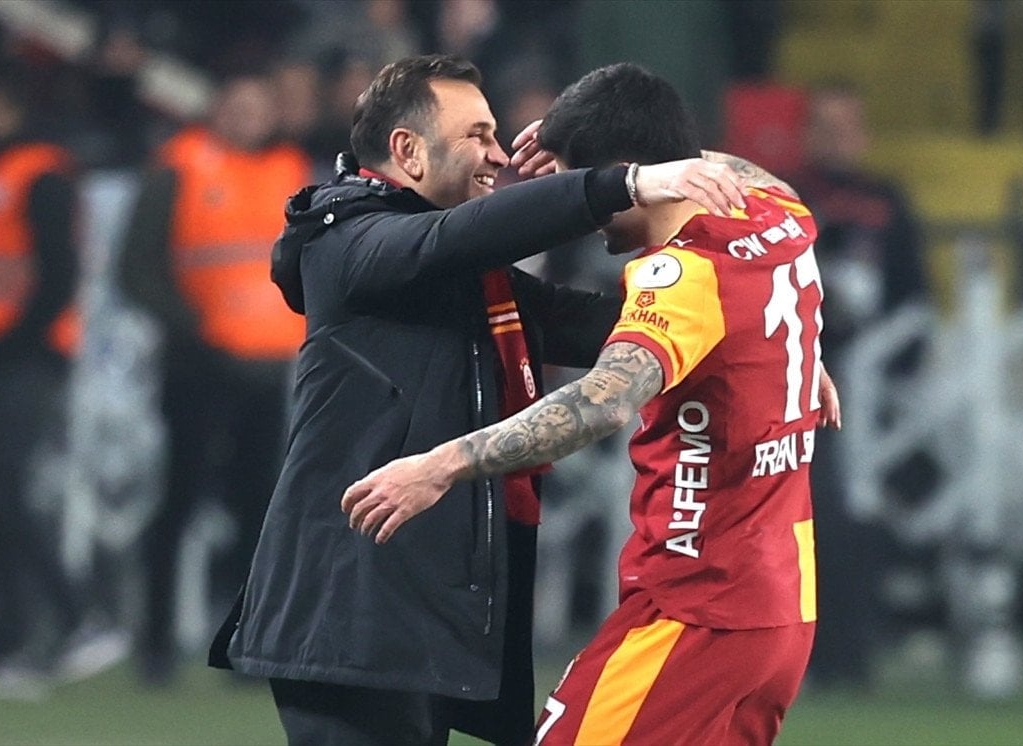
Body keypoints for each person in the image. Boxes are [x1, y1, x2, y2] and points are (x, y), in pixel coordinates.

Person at [210, 54, 747, 746]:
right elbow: (456, 236)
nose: (500, 155)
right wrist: (625, 182)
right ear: (407, 150)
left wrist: (754, 332)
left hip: (418, 613)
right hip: (350, 613)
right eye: (478, 135)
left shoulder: (460, 273)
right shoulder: (344, 240)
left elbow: (600, 323)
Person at [344, 63, 839, 744]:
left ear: (631, 172)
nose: (583, 210)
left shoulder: (683, 275)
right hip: (782, 612)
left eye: (583, 183)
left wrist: (440, 466)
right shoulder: (775, 210)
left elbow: (602, 402)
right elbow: (744, 178)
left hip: (697, 606)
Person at [118, 71, 312, 685]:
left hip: (269, 369)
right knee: (179, 501)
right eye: (237, 104)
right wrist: (194, 328)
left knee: (259, 512)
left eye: (257, 105)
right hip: (196, 368)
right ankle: (155, 645)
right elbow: (136, 268)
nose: (247, 116)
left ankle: (246, 646)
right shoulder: (178, 168)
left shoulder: (290, 170)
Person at [792, 81, 928, 690]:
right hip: (805, 378)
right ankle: (818, 649)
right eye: (826, 126)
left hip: (874, 381)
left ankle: (856, 646)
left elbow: (914, 296)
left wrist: (903, 373)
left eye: (847, 127)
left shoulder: (886, 203)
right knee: (816, 510)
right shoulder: (786, 197)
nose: (837, 139)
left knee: (859, 510)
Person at [0, 66, 102, 690]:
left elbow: (58, 276)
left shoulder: (38, 173)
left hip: (25, 356)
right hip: (9, 353)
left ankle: (73, 615)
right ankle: (9, 636)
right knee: (1, 495)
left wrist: (16, 340)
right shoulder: (10, 170)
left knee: (9, 489)